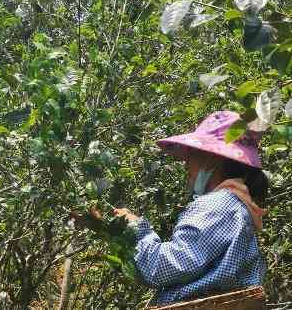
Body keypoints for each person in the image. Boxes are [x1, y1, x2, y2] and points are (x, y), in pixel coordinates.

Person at [113, 110, 269, 307]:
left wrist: (136, 228)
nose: (186, 163)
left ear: (212, 158)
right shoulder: (234, 205)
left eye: (192, 154)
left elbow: (163, 269)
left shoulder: (218, 206)